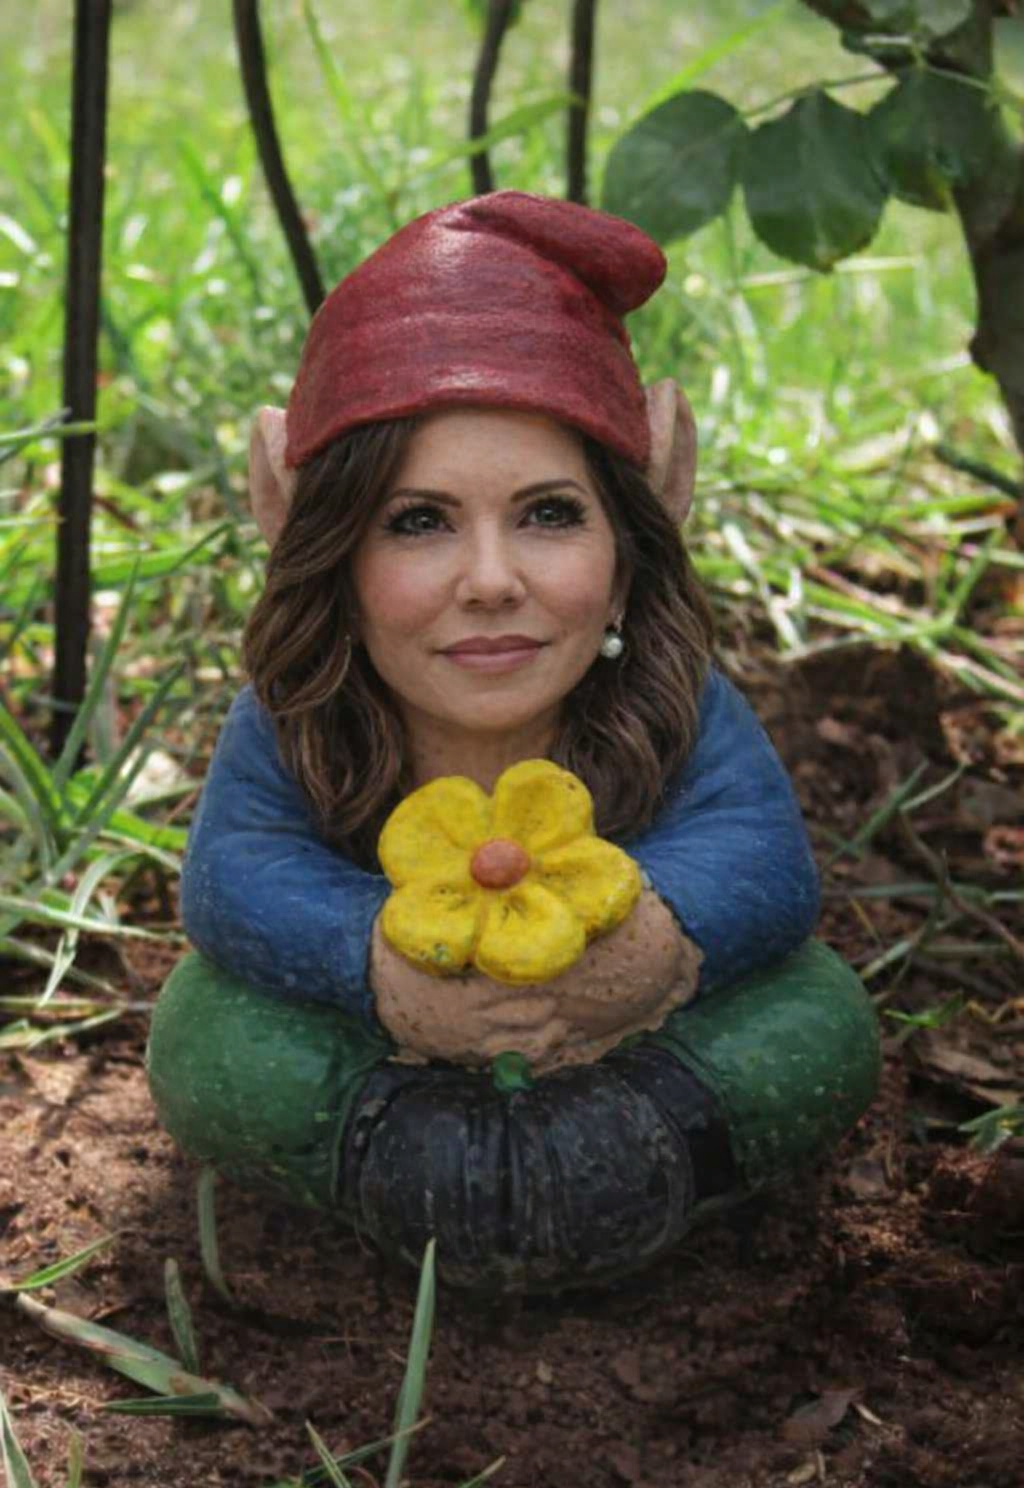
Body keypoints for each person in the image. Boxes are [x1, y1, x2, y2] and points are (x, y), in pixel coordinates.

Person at [148, 192, 878, 1290]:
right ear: (315, 539)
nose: (490, 582)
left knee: (815, 1014)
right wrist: (377, 967)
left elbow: (762, 857)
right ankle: (401, 1151)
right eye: (418, 522)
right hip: (388, 1043)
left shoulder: (670, 701)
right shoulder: (299, 711)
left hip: (630, 1041)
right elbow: (236, 876)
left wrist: (651, 949)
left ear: (636, 532)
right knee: (210, 1031)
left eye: (548, 514)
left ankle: (642, 1140)